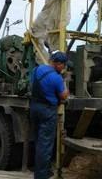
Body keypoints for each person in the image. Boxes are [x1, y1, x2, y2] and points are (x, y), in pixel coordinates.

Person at [29, 51, 69, 179]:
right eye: (63, 65)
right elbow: (63, 96)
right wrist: (65, 82)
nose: (64, 68)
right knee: (45, 145)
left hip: (34, 108)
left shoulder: (37, 69)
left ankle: (43, 170)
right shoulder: (57, 78)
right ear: (58, 64)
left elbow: (31, 84)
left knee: (39, 141)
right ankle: (41, 176)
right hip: (47, 111)